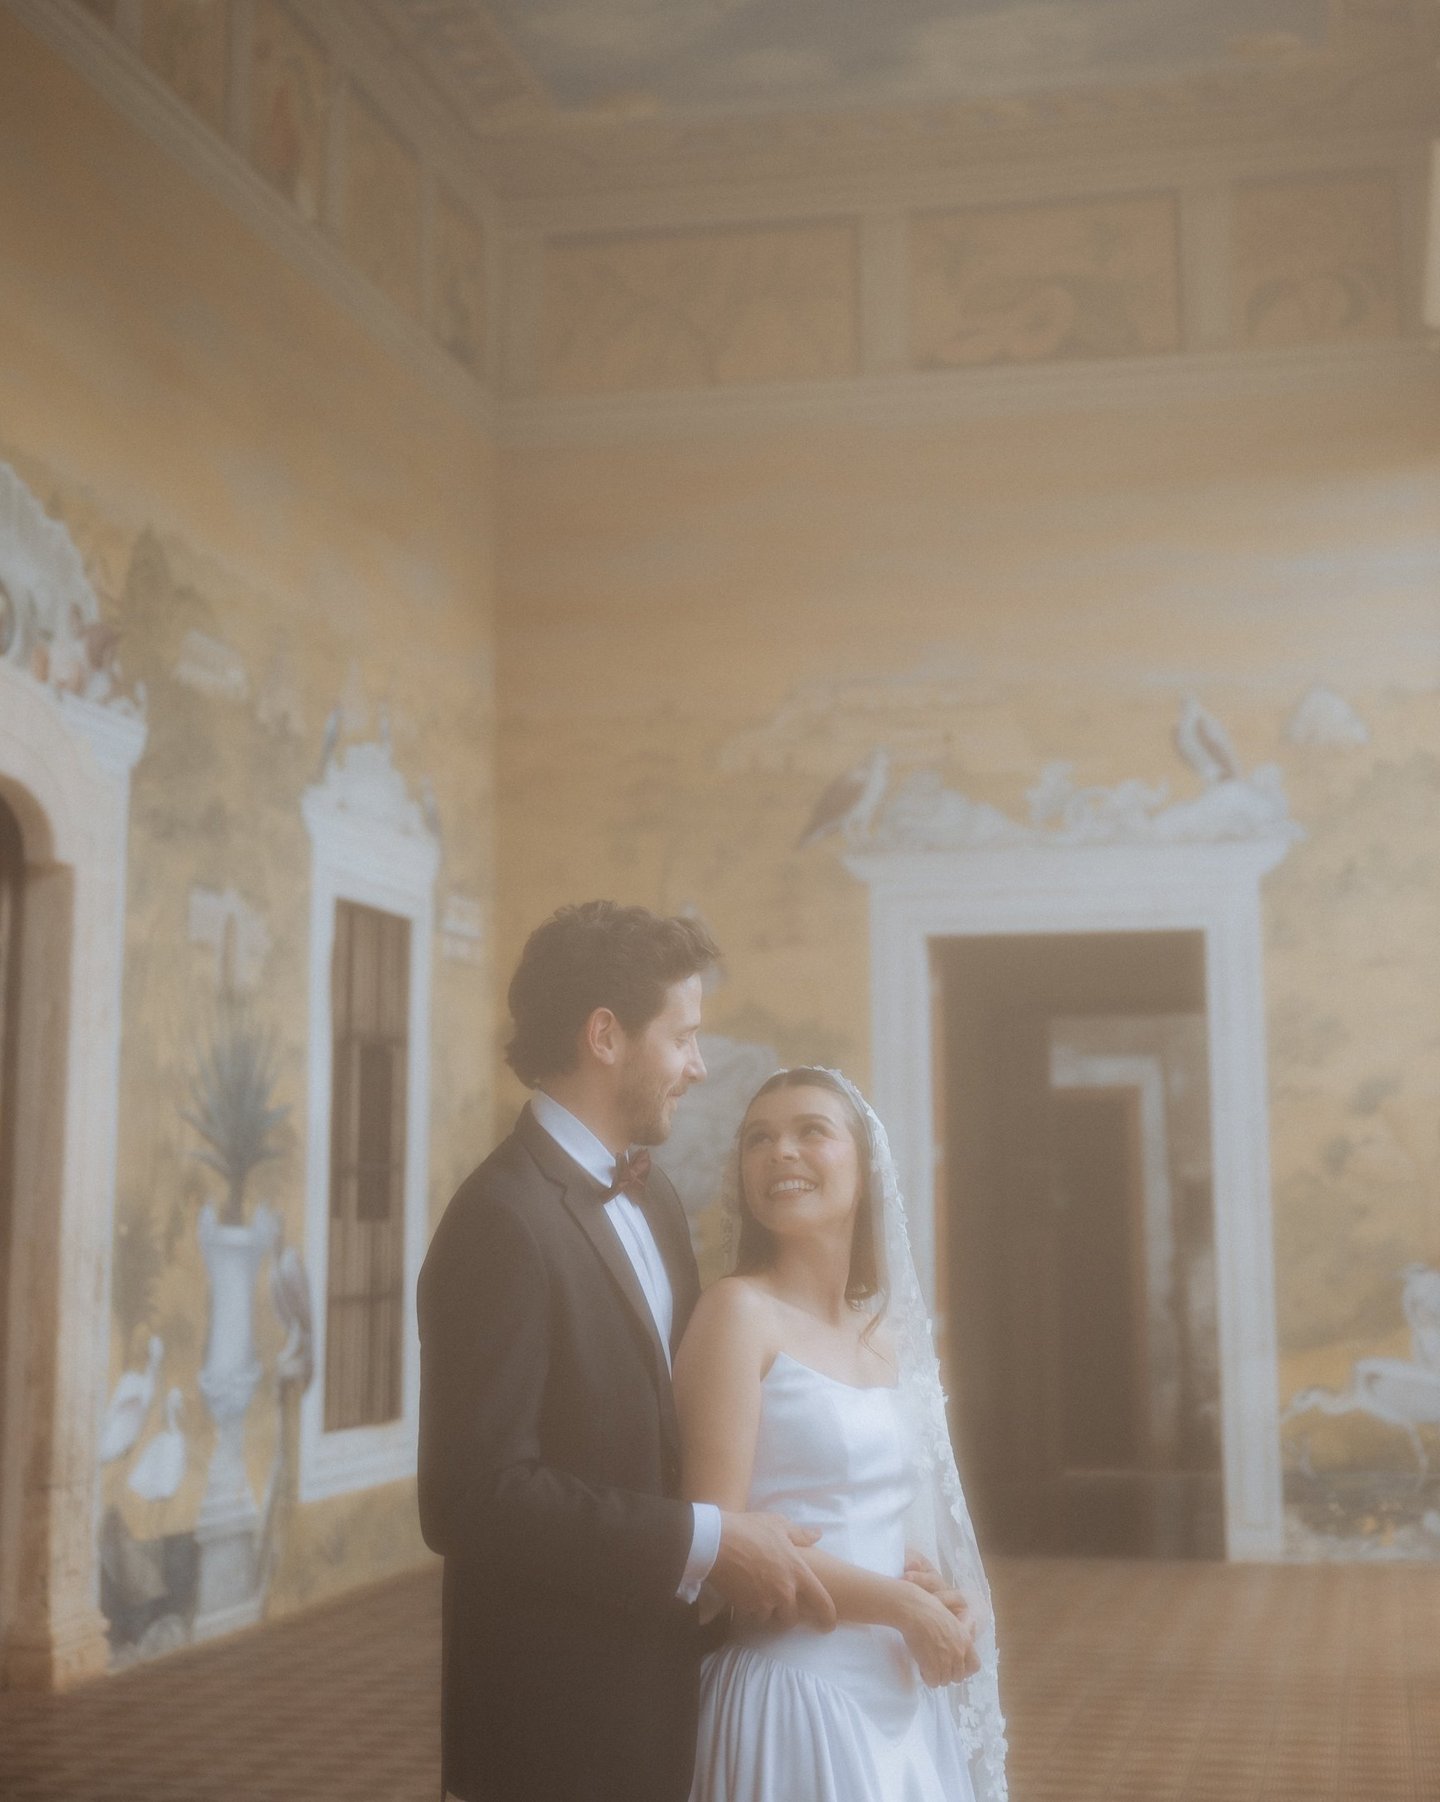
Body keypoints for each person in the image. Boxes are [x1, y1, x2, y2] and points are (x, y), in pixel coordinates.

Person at [417, 903, 837, 1802]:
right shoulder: (499, 1220)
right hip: (553, 1726)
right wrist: (707, 1541)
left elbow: (687, 1430)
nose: (699, 1065)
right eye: (682, 1037)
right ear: (605, 1036)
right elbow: (471, 1499)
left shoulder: (659, 1202)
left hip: (665, 1696)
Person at [675, 1067, 1008, 1802]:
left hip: (905, 1697)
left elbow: (901, 1519)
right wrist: (902, 1608)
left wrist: (951, 1600)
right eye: (758, 1139)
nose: (781, 1152)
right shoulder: (737, 1315)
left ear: (866, 1166)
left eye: (811, 1132)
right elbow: (723, 1542)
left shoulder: (890, 1336)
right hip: (797, 1694)